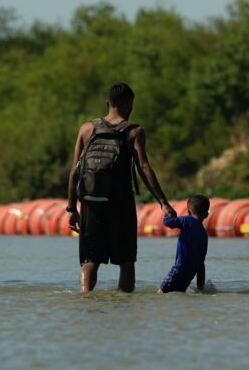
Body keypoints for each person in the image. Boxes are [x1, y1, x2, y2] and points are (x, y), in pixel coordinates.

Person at [67, 82, 176, 293]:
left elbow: (74, 172)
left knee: (90, 260)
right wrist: (163, 202)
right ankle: (124, 304)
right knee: (126, 261)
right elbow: (144, 167)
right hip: (120, 203)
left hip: (91, 202)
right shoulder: (134, 131)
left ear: (108, 103)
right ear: (129, 103)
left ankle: (85, 297)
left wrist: (72, 209)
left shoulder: (87, 129)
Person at [158, 194, 209, 293]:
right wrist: (200, 286)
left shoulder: (187, 220)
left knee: (160, 294)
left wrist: (168, 212)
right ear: (206, 215)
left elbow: (168, 222)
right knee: (179, 294)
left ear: (189, 211)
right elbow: (201, 262)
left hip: (179, 269)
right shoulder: (204, 234)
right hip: (190, 273)